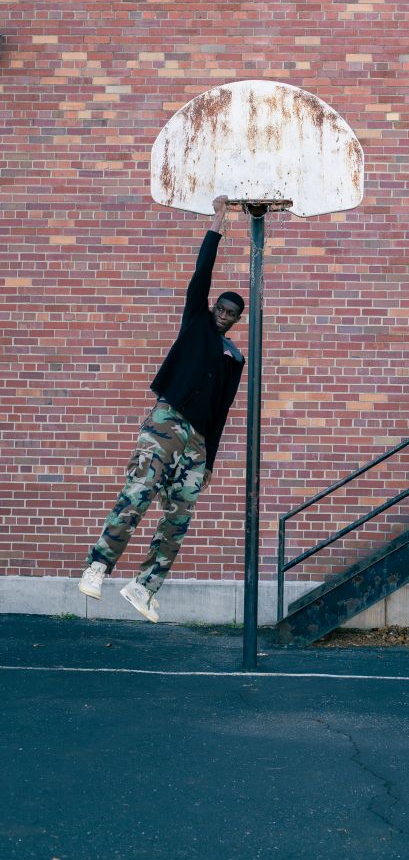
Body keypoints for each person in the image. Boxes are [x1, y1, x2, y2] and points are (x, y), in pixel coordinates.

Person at [78, 196, 245, 621]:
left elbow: (222, 412)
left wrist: (210, 462)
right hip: (166, 422)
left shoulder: (234, 358)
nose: (223, 316)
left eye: (231, 314)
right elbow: (201, 274)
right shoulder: (197, 324)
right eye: (220, 309)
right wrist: (218, 222)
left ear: (237, 320)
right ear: (213, 308)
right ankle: (98, 567)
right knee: (139, 492)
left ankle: (144, 587)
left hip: (198, 442)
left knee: (179, 515)